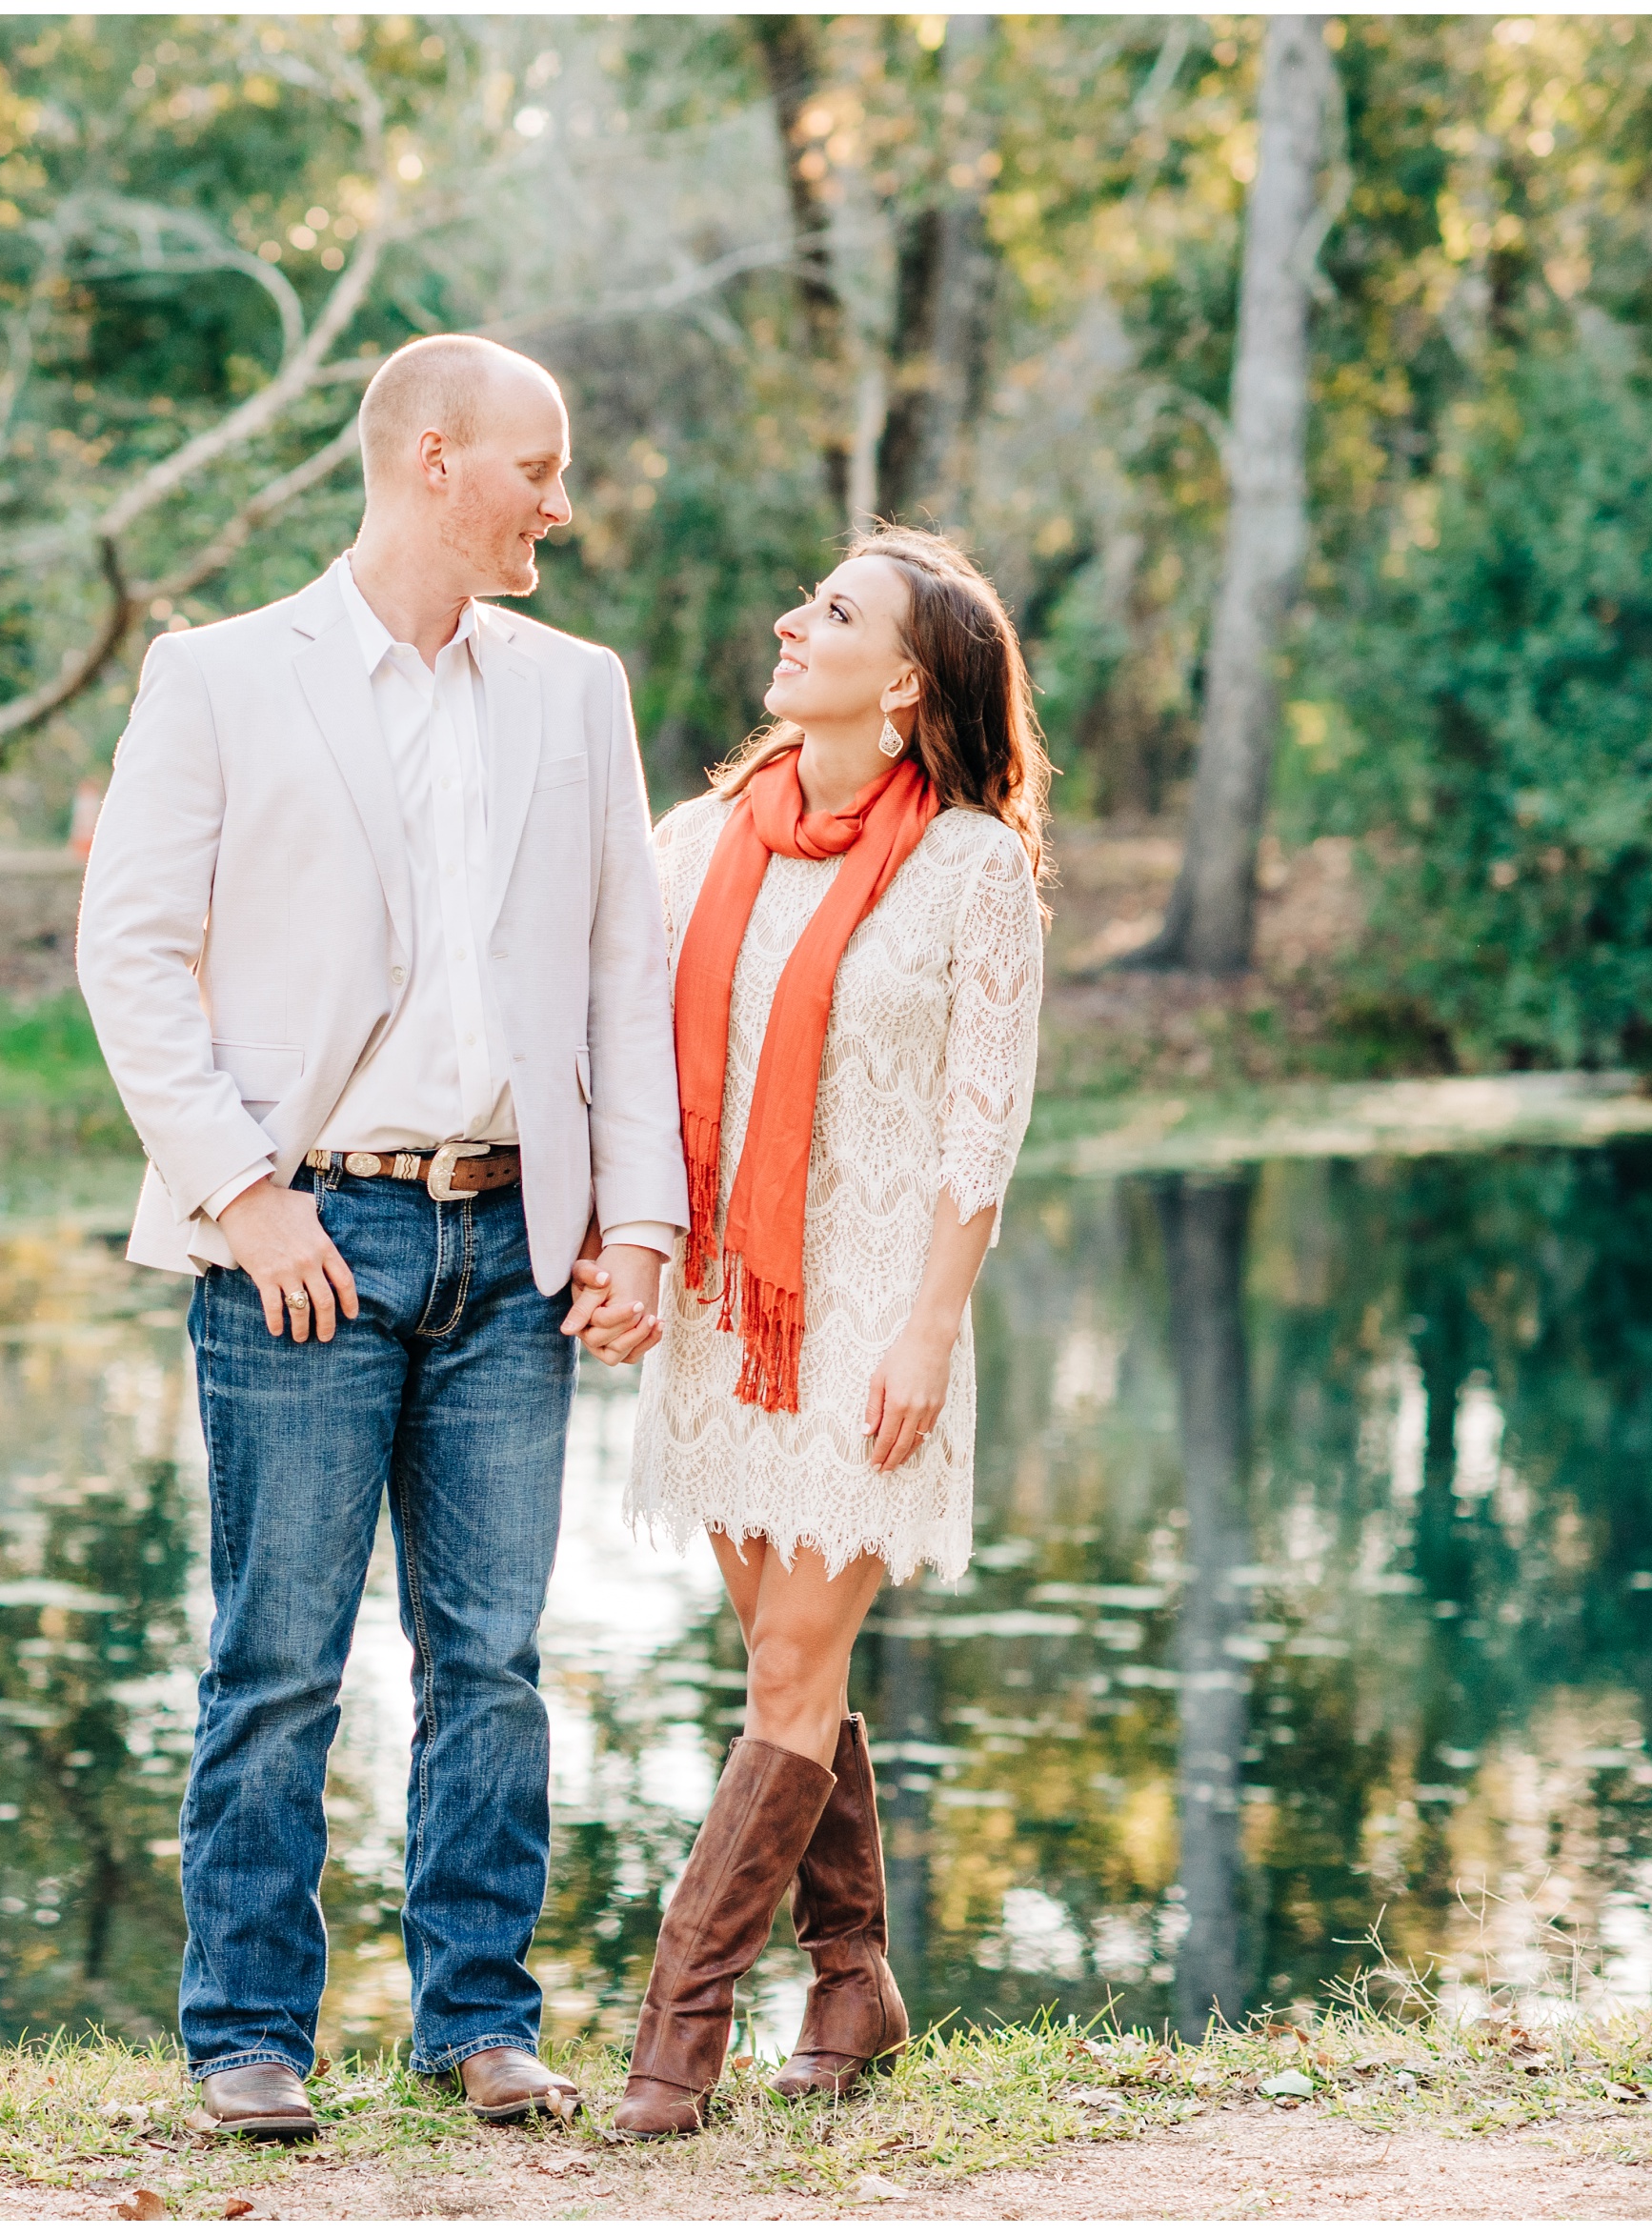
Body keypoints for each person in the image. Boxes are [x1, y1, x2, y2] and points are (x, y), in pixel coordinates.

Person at [74, 333, 687, 2139]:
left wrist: (637, 1217)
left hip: (514, 1247)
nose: (559, 506)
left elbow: (618, 969)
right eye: (537, 468)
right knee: (278, 1654)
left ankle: (478, 2018)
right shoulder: (218, 678)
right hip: (306, 1240)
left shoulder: (579, 692)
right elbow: (130, 954)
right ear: (436, 457)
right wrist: (242, 1196)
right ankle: (248, 2034)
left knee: (490, 1654)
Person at [594, 526, 1049, 2137]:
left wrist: (932, 1324)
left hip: (868, 1320)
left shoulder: (974, 870)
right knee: (791, 1665)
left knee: (789, 1659)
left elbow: (977, 1128)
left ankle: (677, 2025)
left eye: (836, 613)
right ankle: (853, 1975)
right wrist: (620, 1245)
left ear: (907, 682)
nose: (794, 621)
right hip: (728, 1316)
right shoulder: (699, 836)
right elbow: (631, 1068)